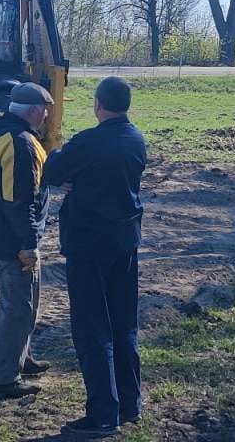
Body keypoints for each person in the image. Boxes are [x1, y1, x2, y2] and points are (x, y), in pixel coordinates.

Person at [43, 76, 148, 439]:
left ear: (98, 105)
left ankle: (104, 412)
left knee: (92, 328)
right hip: (125, 242)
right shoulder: (136, 139)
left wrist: (65, 171)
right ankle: (130, 401)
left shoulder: (88, 141)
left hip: (88, 245)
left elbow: (53, 171)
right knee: (124, 322)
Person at [0, 82, 56, 398]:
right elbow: (20, 200)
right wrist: (28, 243)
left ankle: (21, 357)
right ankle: (4, 379)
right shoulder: (21, 143)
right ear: (34, 111)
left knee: (25, 302)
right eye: (45, 110)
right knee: (18, 308)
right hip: (13, 241)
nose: (47, 115)